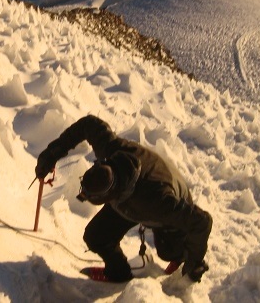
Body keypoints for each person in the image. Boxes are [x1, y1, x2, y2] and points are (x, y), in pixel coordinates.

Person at [35, 115, 212, 283]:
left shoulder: (158, 201)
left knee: (168, 251)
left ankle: (181, 256)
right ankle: (118, 274)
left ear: (108, 195)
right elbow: (88, 124)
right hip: (130, 198)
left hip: (166, 201)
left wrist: (194, 263)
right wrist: (51, 154)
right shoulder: (110, 150)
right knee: (96, 236)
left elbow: (201, 222)